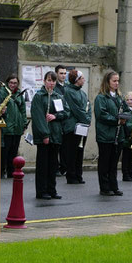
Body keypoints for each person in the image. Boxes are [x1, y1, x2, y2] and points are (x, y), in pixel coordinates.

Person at [31, 71, 69, 199]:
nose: (51, 83)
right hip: (45, 136)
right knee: (43, 165)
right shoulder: (39, 96)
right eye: (49, 80)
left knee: (53, 165)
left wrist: (56, 116)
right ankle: (42, 191)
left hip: (56, 134)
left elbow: (66, 112)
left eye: (53, 81)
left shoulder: (58, 96)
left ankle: (52, 189)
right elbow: (38, 117)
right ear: (44, 81)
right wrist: (45, 134)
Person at [94, 71, 128, 196]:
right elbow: (101, 115)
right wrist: (116, 120)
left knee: (114, 163)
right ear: (107, 82)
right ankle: (104, 187)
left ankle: (114, 186)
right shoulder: (101, 97)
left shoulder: (119, 97)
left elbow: (124, 110)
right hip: (105, 135)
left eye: (118, 81)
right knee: (104, 162)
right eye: (114, 81)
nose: (117, 83)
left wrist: (125, 117)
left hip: (117, 135)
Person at [62, 69, 91, 184]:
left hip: (83, 125)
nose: (84, 80)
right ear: (76, 80)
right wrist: (85, 118)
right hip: (73, 126)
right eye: (82, 78)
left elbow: (88, 107)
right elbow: (76, 109)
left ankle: (79, 174)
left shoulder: (82, 93)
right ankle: (71, 175)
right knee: (72, 152)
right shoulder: (68, 91)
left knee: (80, 151)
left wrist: (88, 119)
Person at [1, 74, 27, 179]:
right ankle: (2, 171)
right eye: (11, 82)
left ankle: (11, 171)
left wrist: (24, 123)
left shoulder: (20, 94)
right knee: (4, 151)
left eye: (15, 83)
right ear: (7, 83)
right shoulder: (2, 92)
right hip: (7, 127)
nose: (12, 85)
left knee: (13, 151)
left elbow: (23, 110)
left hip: (17, 127)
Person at [54, 64, 68, 177]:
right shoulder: (55, 87)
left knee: (65, 147)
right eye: (61, 73)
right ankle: (56, 167)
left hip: (66, 119)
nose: (63, 75)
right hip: (57, 120)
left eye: (64, 73)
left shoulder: (67, 87)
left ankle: (64, 167)